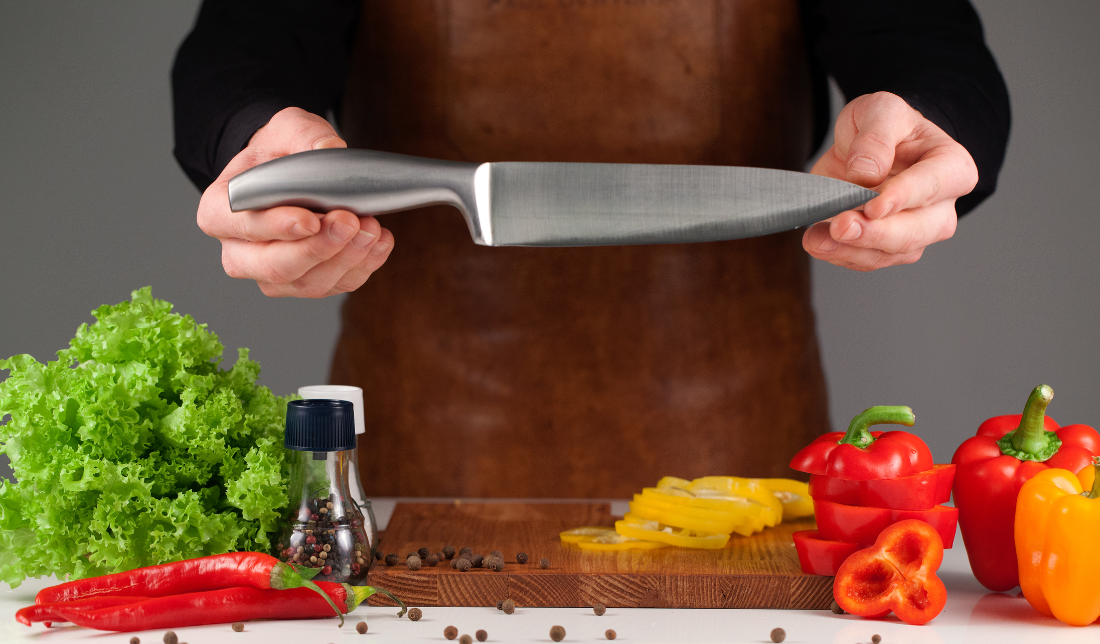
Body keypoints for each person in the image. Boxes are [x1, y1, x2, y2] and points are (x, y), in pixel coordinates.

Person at [173, 0, 1009, 498]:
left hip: (746, 451)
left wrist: (929, 120)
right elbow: (243, 44)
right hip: (420, 460)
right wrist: (254, 134)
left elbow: (928, 39)